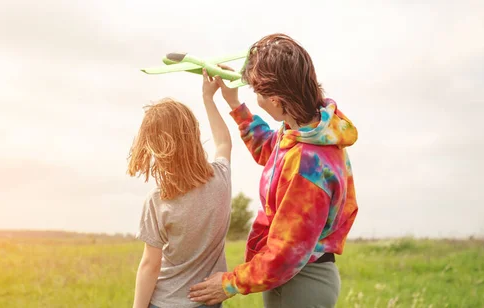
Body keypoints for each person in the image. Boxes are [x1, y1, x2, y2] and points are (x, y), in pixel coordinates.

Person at [188, 33, 359, 307]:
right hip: (292, 278)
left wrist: (229, 283)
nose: (256, 96)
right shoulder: (308, 131)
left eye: (257, 91)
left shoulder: (307, 165)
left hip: (301, 283)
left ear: (277, 100)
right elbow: (270, 150)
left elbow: (286, 254)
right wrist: (234, 103)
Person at [129, 71, 235, 308]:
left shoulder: (158, 200)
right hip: (208, 301)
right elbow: (224, 142)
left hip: (164, 302)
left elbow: (150, 265)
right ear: (194, 135)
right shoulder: (221, 179)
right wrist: (209, 98)